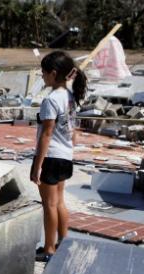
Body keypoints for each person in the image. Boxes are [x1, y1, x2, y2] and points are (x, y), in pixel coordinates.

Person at [31, 50, 87, 262]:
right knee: (60, 202)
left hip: (52, 158)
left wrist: (37, 165)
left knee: (49, 205)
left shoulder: (51, 100)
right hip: (66, 157)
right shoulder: (70, 97)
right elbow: (73, 133)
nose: (42, 77)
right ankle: (64, 241)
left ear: (53, 74)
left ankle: (49, 249)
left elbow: (46, 134)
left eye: (43, 73)